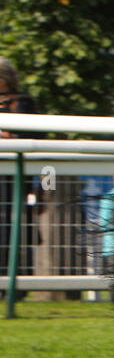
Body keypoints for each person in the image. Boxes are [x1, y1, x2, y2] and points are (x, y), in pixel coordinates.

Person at [0, 57, 40, 295]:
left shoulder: (22, 103)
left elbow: (37, 138)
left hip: (14, 179)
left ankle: (13, 288)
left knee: (11, 229)